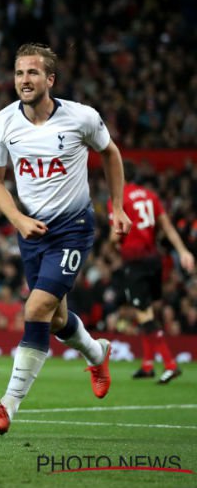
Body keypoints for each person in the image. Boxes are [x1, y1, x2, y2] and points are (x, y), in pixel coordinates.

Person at [0, 43, 131, 435]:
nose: (24, 80)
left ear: (50, 79)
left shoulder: (82, 118)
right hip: (31, 232)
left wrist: (117, 207)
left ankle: (7, 406)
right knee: (57, 317)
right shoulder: (2, 123)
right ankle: (97, 352)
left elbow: (111, 154)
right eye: (18, 73)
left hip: (72, 228)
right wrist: (16, 218)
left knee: (37, 307)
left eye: (32, 73)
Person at [110, 161, 194, 383]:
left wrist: (112, 243)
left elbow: (114, 236)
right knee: (145, 311)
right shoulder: (149, 195)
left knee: (144, 315)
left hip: (135, 262)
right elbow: (166, 226)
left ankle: (170, 363)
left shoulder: (119, 199)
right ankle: (148, 364)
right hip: (154, 261)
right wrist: (183, 251)